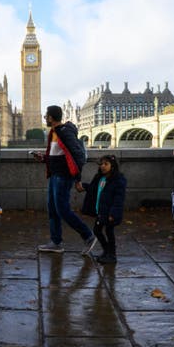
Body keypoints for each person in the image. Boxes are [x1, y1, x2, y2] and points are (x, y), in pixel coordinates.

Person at [32, 105, 96, 254]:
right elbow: (57, 156)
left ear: (51, 118)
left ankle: (89, 236)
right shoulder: (54, 133)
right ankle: (56, 242)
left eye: (46, 116)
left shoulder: (64, 132)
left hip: (63, 177)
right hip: (55, 176)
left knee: (63, 211)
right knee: (53, 210)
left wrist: (77, 179)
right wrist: (43, 158)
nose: (45, 119)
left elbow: (79, 156)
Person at [79, 155, 126, 264]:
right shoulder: (99, 178)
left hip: (110, 213)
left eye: (106, 164)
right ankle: (106, 251)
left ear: (112, 166)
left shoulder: (118, 180)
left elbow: (119, 199)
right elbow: (93, 189)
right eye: (101, 164)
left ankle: (112, 255)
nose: (103, 166)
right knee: (97, 230)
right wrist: (84, 186)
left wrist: (113, 213)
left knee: (109, 232)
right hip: (101, 212)